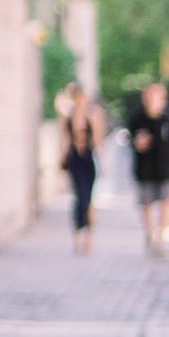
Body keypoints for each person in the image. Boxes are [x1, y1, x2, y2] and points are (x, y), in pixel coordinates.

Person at [128, 78, 169, 256]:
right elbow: (130, 138)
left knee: (166, 203)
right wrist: (137, 142)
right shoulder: (137, 118)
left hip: (166, 169)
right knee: (147, 203)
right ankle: (149, 232)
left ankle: (160, 237)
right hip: (145, 170)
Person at [57, 79, 103, 254]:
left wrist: (103, 164)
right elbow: (64, 141)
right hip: (74, 160)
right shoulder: (67, 117)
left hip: (88, 159)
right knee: (79, 199)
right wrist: (61, 162)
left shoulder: (93, 115)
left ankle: (89, 237)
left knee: (88, 199)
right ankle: (77, 235)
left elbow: (98, 140)